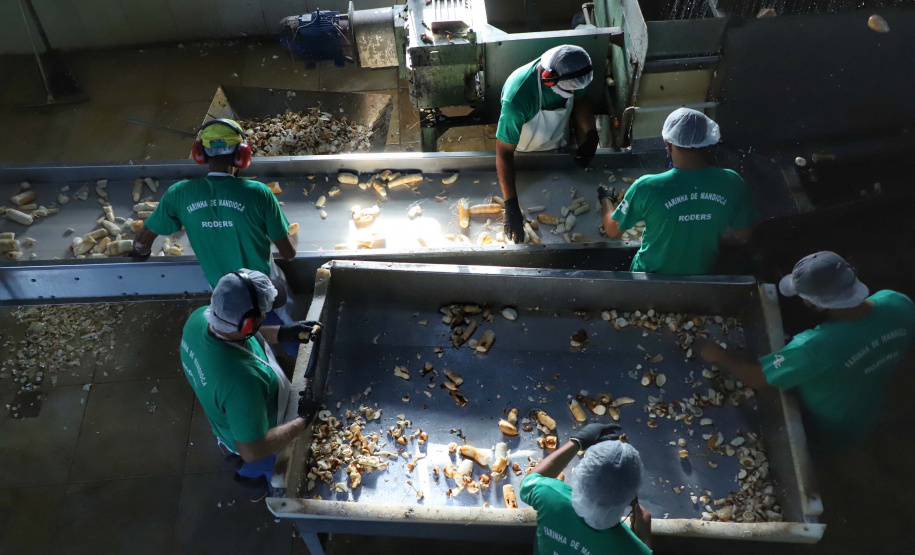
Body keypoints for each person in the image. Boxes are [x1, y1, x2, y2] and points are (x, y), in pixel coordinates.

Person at [701, 251, 915, 444]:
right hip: (872, 402)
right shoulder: (897, 301)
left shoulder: (812, 347)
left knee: (824, 450)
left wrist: (721, 356)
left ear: (818, 304)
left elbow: (757, 379)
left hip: (831, 421)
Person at [132, 119, 298, 318]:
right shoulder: (259, 193)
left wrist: (139, 254)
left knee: (236, 324)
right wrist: (290, 235)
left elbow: (142, 241)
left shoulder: (179, 193)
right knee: (284, 313)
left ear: (200, 154)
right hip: (260, 285)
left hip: (221, 289)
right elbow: (288, 253)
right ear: (242, 154)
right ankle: (289, 337)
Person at [180, 269, 320, 499]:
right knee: (264, 467)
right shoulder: (241, 381)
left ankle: (250, 476)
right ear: (248, 324)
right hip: (257, 442)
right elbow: (252, 449)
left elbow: (237, 332)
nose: (267, 314)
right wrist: (302, 421)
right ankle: (261, 485)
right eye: (265, 312)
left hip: (235, 413)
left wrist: (283, 333)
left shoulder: (200, 317)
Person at [600, 108, 753, 274]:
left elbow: (612, 230)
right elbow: (744, 235)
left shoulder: (647, 187)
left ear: (667, 143)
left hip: (650, 278)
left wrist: (606, 200)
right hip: (705, 277)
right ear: (708, 141)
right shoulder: (732, 182)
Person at [496, 45, 599, 243]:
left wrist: (591, 135)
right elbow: (503, 153)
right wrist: (510, 206)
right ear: (549, 80)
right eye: (569, 90)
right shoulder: (518, 99)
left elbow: (581, 99)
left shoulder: (574, 69)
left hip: (557, 145)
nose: (573, 92)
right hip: (522, 155)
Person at [520, 423, 652, 554]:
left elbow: (528, 481)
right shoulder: (631, 549)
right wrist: (643, 536)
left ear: (581, 474)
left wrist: (577, 442)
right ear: (630, 498)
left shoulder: (550, 495)